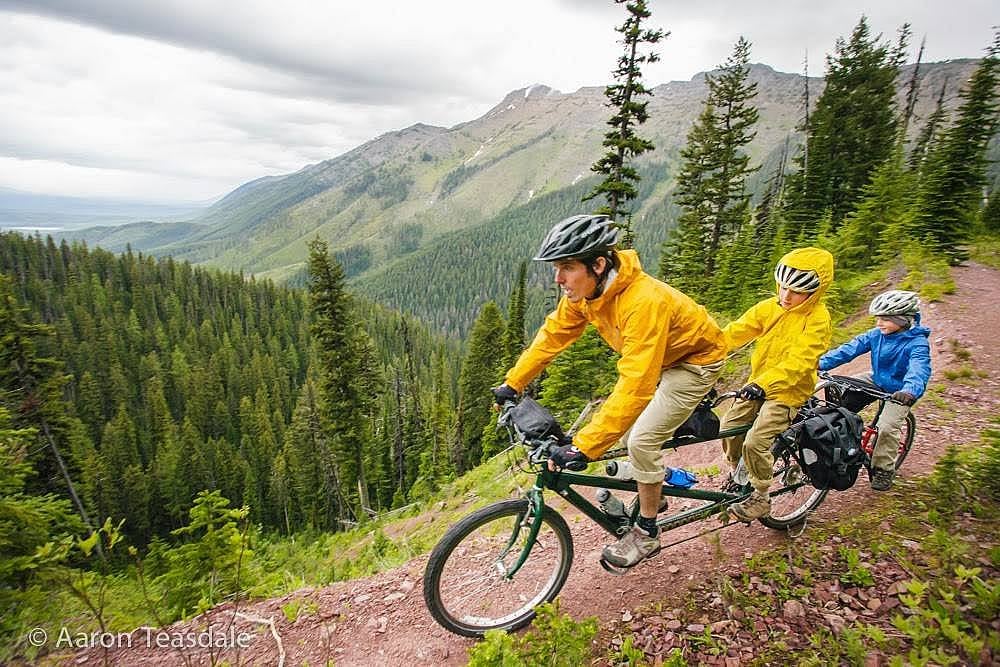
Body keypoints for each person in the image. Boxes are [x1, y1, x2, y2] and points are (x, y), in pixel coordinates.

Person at [492, 214, 727, 568]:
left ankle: (647, 533)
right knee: (630, 428)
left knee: (641, 440)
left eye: (567, 268)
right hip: (663, 359)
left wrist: (584, 446)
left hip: (695, 362)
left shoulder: (643, 301)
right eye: (557, 268)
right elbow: (553, 336)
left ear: (598, 264)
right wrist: (514, 382)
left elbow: (636, 384)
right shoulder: (587, 293)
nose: (559, 279)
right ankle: (656, 488)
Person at [719, 247, 834, 522]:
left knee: (756, 440)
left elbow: (800, 362)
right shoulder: (770, 307)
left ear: (814, 293)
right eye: (782, 287)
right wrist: (702, 349)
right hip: (758, 383)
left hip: (788, 391)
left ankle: (760, 496)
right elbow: (736, 331)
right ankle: (740, 474)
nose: (786, 296)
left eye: (795, 292)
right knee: (727, 428)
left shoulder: (817, 320)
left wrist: (764, 384)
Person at [818, 289, 931, 491]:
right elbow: (849, 349)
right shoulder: (876, 335)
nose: (879, 323)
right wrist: (820, 364)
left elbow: (919, 369)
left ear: (903, 319)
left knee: (886, 428)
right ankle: (843, 439)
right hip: (876, 379)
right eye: (878, 318)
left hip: (901, 390)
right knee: (841, 403)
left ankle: (883, 469)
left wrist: (910, 391)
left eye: (886, 319)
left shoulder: (917, 343)